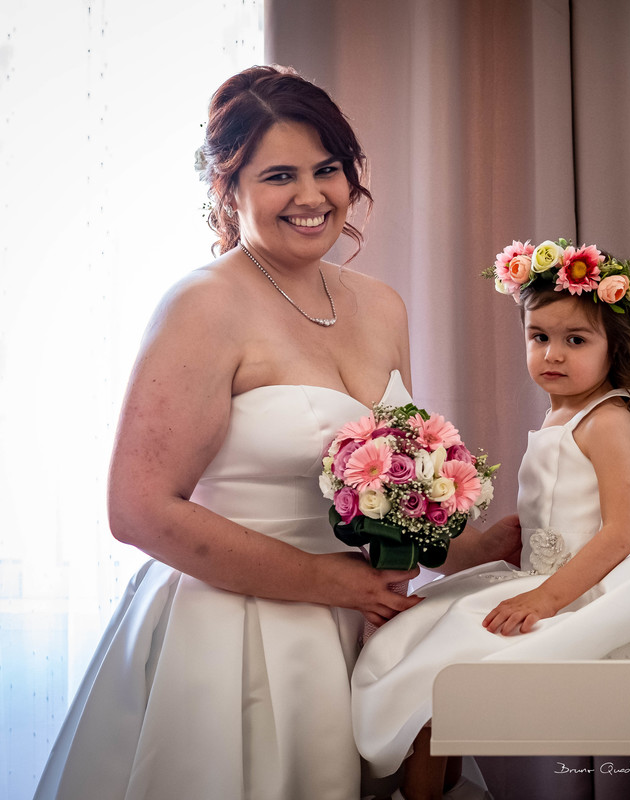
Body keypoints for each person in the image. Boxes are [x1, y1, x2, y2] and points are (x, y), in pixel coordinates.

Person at [33, 65, 519, 800]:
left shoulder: (381, 305)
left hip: (356, 631)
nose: (311, 195)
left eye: (327, 169)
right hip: (233, 638)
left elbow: (392, 492)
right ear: (227, 189)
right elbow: (137, 509)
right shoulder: (203, 306)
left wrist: (476, 549)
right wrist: (327, 581)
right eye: (279, 176)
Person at [351, 239, 630, 800]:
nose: (553, 355)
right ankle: (441, 786)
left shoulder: (607, 418)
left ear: (615, 347)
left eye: (575, 340)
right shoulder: (560, 411)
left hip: (582, 588)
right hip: (538, 574)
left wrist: (546, 598)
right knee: (415, 641)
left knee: (434, 672)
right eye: (539, 337)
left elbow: (621, 531)